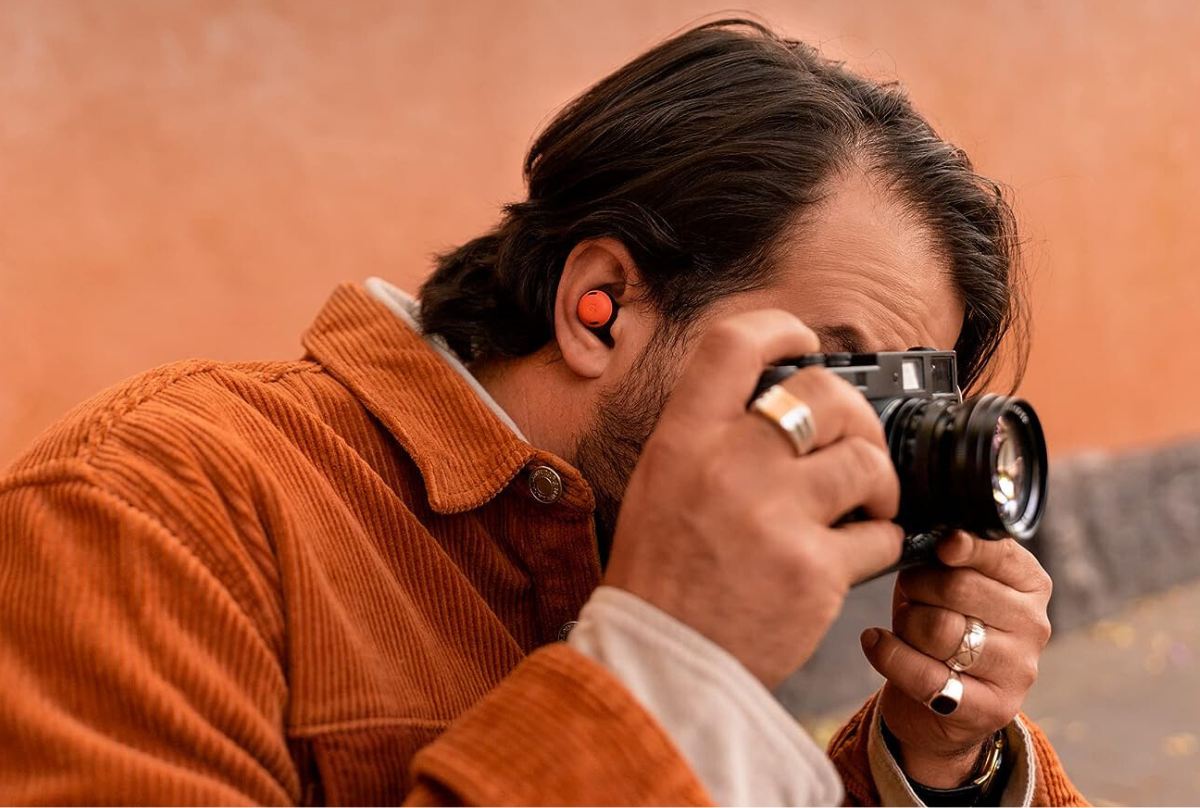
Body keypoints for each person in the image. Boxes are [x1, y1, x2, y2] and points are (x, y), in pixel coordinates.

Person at [0, 19, 1086, 807]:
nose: (860, 445)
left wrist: (935, 770)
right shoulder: (158, 507)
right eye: (834, 368)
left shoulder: (633, 539)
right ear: (599, 305)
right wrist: (665, 672)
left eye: (904, 398)